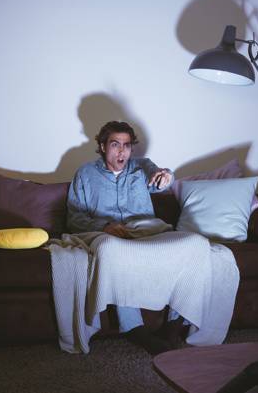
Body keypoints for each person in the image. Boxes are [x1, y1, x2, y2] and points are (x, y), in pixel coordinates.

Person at [66, 120, 186, 355]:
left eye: (127, 145)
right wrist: (105, 226)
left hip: (146, 231)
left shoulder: (142, 167)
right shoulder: (85, 174)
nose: (122, 151)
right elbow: (74, 218)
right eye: (115, 144)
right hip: (110, 236)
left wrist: (166, 176)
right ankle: (135, 329)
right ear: (103, 147)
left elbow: (160, 178)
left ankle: (173, 326)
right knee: (113, 250)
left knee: (184, 246)